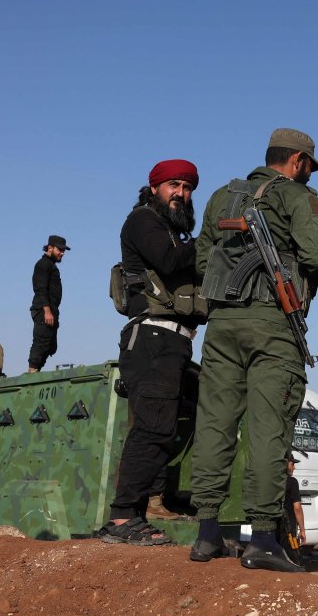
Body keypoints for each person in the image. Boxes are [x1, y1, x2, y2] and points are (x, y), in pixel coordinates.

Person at [188, 128, 318, 572]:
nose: (309, 175)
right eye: (308, 167)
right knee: (268, 430)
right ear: (298, 162)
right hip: (272, 324)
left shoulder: (219, 197)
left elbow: (201, 259)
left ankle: (207, 533)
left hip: (223, 324)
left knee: (214, 423)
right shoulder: (297, 197)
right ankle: (263, 539)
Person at [96, 159, 202, 546]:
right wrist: (209, 243)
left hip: (173, 340)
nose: (181, 193)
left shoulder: (177, 231)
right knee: (151, 429)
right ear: (155, 187)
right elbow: (170, 261)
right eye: (174, 185)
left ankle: (146, 509)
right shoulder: (143, 221)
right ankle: (123, 518)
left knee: (164, 428)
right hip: (152, 337)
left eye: (188, 188)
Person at [28, 235, 67, 373]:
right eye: (59, 250)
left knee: (50, 345)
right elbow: (40, 288)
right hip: (44, 310)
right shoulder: (43, 264)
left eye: (64, 250)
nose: (62, 253)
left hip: (51, 310)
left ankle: (36, 370)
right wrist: (47, 311)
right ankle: (32, 372)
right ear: (50, 248)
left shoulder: (51, 265)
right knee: (41, 341)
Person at [282, 451, 306, 565]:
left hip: (271, 527)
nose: (294, 467)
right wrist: (302, 530)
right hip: (288, 528)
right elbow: (297, 507)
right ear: (285, 464)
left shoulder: (271, 481)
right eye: (292, 464)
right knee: (294, 559)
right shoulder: (291, 482)